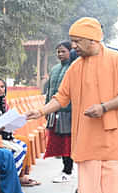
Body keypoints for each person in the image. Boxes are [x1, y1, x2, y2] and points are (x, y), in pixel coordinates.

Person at [26, 17, 118, 193]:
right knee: (88, 177)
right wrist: (40, 111)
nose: (73, 45)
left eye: (77, 41)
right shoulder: (76, 67)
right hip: (86, 132)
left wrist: (104, 107)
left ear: (93, 40)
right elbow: (61, 97)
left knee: (115, 178)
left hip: (114, 131)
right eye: (72, 41)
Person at [44, 41, 74, 183]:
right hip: (54, 109)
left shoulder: (74, 67)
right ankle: (65, 169)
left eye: (63, 51)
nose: (60, 54)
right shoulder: (55, 68)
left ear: (70, 52)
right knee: (60, 142)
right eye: (58, 52)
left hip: (68, 111)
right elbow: (50, 90)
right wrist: (46, 108)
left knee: (68, 141)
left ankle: (68, 170)